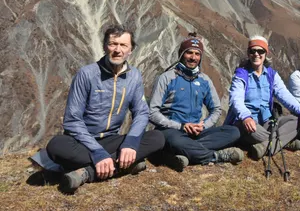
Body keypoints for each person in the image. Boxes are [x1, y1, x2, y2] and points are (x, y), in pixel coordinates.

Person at [45, 25, 165, 192]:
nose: (117, 50)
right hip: (82, 142)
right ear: (104, 47)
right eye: (112, 44)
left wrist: (130, 143)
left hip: (110, 139)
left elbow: (142, 112)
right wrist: (97, 151)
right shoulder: (86, 74)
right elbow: (72, 120)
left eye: (123, 45)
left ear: (131, 50)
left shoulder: (134, 76)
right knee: (56, 145)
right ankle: (123, 165)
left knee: (157, 138)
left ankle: (88, 172)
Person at [148, 33, 243, 171]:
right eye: (189, 53)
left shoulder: (204, 80)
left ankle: (181, 152)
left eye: (197, 54)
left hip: (196, 133)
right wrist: (181, 126)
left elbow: (216, 109)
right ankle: (214, 156)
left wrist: (203, 126)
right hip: (171, 130)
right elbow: (152, 112)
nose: (193, 57)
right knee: (176, 140)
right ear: (181, 54)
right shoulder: (166, 78)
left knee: (233, 132)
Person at [224, 35, 300, 160]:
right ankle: (281, 142)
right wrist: (246, 117)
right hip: (246, 124)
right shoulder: (241, 74)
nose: (256, 54)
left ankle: (265, 146)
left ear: (266, 53)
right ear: (248, 53)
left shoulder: (271, 75)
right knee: (258, 132)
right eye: (253, 51)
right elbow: (236, 99)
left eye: (260, 51)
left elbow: (284, 95)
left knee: (295, 121)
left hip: (266, 122)